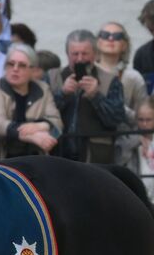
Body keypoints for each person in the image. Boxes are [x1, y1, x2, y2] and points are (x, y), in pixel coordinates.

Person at [47, 29, 126, 163]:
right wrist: (63, 94)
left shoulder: (111, 80)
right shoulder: (52, 77)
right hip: (59, 152)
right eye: (75, 54)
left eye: (85, 53)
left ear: (95, 54)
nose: (80, 59)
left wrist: (96, 96)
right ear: (67, 54)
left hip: (96, 156)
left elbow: (116, 119)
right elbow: (41, 114)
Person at [0, 44, 61, 159]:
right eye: (11, 64)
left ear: (33, 70)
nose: (15, 69)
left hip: (37, 157)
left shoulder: (43, 88)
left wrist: (40, 126)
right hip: (4, 157)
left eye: (22, 65)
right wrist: (31, 137)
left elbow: (57, 121)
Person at [117, 98, 154, 213]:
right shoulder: (127, 137)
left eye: (149, 120)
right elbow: (120, 158)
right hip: (135, 195)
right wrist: (137, 141)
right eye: (141, 120)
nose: (144, 124)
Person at [95, 21, 147, 121]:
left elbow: (142, 118)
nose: (110, 39)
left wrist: (117, 107)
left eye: (117, 36)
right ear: (98, 42)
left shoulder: (133, 77)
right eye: (105, 35)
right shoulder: (88, 72)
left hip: (122, 134)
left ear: (124, 45)